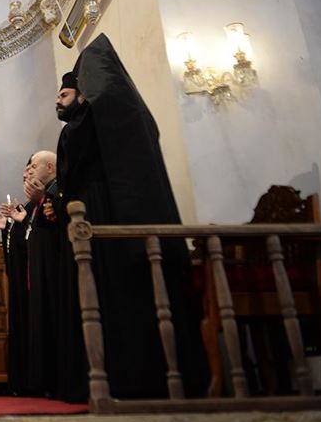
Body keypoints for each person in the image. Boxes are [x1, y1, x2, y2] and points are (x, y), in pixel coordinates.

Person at [47, 34, 207, 402]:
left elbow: (71, 165)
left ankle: (123, 381)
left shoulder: (88, 121)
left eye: (70, 92)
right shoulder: (128, 115)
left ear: (87, 90)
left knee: (116, 305)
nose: (60, 99)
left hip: (103, 224)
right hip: (127, 224)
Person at [0, 151, 60, 397]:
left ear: (50, 167)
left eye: (31, 167)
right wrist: (10, 226)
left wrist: (20, 222)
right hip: (32, 279)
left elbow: (44, 235)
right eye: (25, 171)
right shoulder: (33, 205)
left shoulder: (54, 195)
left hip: (52, 278)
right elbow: (27, 237)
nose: (27, 173)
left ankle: (46, 382)